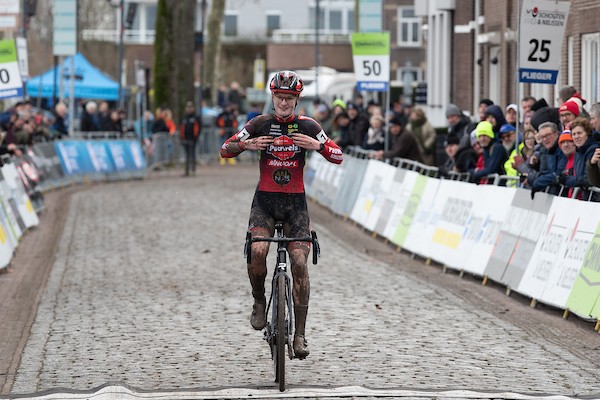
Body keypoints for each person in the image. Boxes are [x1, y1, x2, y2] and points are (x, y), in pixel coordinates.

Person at [219, 70, 343, 359]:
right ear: (272, 97)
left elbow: (338, 156)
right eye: (279, 97)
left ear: (297, 100)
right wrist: (245, 145)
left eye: (289, 99)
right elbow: (225, 150)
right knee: (259, 251)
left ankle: (299, 335)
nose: (284, 104)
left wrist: (319, 146)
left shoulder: (309, 126)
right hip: (265, 202)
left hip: (295, 205)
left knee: (299, 262)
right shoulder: (260, 123)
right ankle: (260, 301)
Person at [559, 118, 599, 200]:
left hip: (594, 199)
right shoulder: (578, 152)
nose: (576, 137)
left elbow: (588, 179)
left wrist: (568, 180)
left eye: (579, 133)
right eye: (574, 134)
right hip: (584, 198)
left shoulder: (593, 150)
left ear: (587, 133)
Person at [526, 122, 566, 197]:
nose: (545, 139)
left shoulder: (564, 148)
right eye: (542, 137)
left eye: (547, 135)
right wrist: (535, 165)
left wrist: (538, 180)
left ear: (556, 133)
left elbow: (558, 174)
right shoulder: (543, 150)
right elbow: (544, 172)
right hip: (548, 194)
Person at [180, 101, 202, 176]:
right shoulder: (184, 117)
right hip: (185, 139)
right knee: (186, 155)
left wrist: (196, 137)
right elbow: (181, 128)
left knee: (192, 154)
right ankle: (186, 170)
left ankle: (193, 170)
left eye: (190, 107)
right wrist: (182, 138)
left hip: (193, 139)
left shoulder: (196, 117)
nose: (189, 109)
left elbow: (198, 128)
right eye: (187, 107)